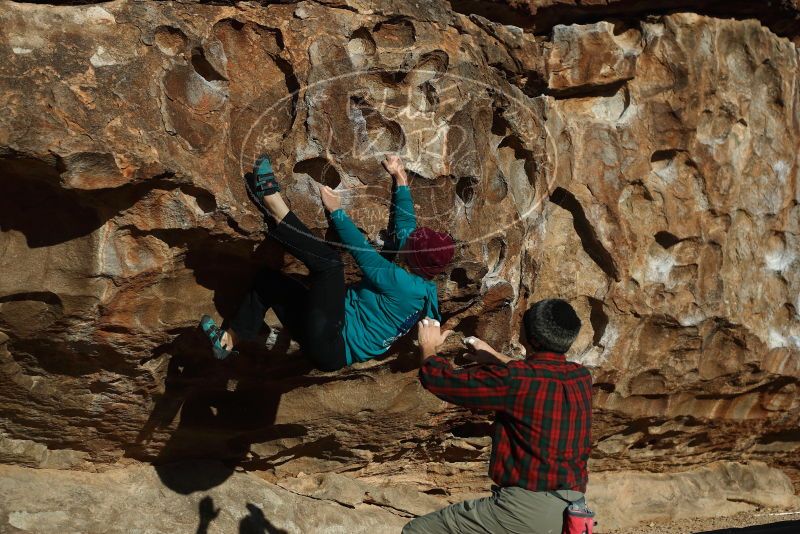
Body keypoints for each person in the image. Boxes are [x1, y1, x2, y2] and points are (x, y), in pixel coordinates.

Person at [199, 154, 455, 372]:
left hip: (333, 339)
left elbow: (361, 250)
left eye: (412, 243)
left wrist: (336, 211)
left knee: (331, 264)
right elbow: (406, 224)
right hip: (330, 346)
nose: (409, 236)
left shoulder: (403, 284)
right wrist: (400, 179)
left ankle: (273, 203)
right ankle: (228, 340)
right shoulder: (421, 280)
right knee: (267, 283)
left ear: (413, 258)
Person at [406, 299, 592, 534]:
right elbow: (541, 375)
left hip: (524, 512)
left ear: (529, 337)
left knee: (418, 531)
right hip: (571, 510)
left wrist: (428, 346)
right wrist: (495, 357)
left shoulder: (516, 379)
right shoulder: (581, 377)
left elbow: (440, 381)